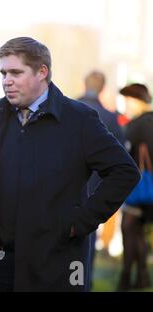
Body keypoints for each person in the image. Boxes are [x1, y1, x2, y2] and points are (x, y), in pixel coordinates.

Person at [0, 37, 140, 291]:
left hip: (55, 264)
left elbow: (125, 171)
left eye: (16, 72)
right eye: (3, 73)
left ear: (42, 72)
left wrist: (81, 221)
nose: (6, 80)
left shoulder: (79, 118)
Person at [77, 70, 125, 288]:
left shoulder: (64, 111)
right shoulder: (110, 118)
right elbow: (123, 161)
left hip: (64, 189)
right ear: (103, 87)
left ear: (84, 83)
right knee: (87, 242)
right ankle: (85, 280)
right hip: (95, 189)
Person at [117, 83, 153, 291]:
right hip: (148, 189)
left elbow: (126, 158)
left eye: (128, 100)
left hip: (141, 189)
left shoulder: (137, 125)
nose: (126, 105)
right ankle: (142, 278)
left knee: (129, 229)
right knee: (136, 231)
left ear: (137, 100)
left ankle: (126, 278)